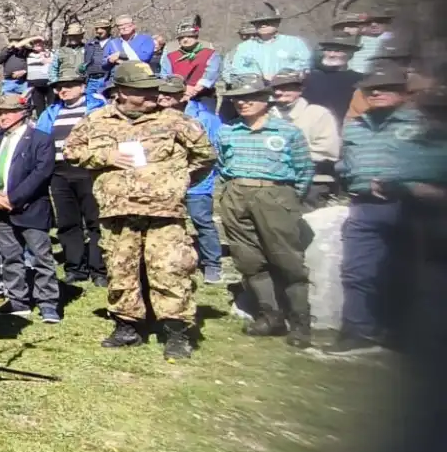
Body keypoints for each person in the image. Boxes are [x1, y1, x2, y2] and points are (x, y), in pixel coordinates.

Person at [61, 61, 217, 358]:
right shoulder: (96, 120)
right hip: (117, 210)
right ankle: (127, 326)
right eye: (141, 91)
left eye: (153, 90)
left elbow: (205, 156)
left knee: (170, 268)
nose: (151, 96)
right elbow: (71, 151)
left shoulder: (174, 120)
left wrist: (176, 180)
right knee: (121, 268)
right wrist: (106, 156)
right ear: (120, 91)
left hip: (164, 212)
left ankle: (175, 331)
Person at [214, 74, 316, 348]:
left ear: (265, 99)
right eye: (237, 98)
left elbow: (304, 171)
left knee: (287, 260)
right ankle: (270, 316)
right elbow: (223, 165)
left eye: (249, 98)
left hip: (275, 194)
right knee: (248, 259)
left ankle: (301, 323)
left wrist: (286, 199)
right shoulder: (228, 131)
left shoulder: (286, 132)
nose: (242, 103)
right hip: (237, 193)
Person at [333, 64, 423, 354]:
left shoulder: (425, 125)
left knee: (407, 270)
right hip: (364, 206)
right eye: (371, 90)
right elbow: (345, 163)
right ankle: (358, 330)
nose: (378, 93)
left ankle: (401, 332)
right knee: (357, 270)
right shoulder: (356, 126)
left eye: (387, 88)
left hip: (411, 206)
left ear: (405, 92)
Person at [0, 92, 60, 322]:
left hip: (30, 208)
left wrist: (13, 199)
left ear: (22, 114)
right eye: (0, 112)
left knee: (40, 256)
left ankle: (48, 304)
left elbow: (41, 173)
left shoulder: (40, 139)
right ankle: (18, 300)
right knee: (10, 256)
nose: (3, 117)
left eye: (8, 112)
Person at [37, 62, 104, 284]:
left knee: (95, 221)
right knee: (68, 222)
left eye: (68, 85)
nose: (62, 90)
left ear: (82, 87)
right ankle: (75, 266)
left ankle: (99, 268)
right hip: (59, 173)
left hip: (89, 171)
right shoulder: (51, 112)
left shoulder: (97, 107)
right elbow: (41, 139)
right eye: (59, 87)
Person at [155, 75, 225, 283]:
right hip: (165, 181)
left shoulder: (205, 118)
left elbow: (212, 152)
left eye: (169, 93)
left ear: (182, 94)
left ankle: (212, 264)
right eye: (161, 93)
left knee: (201, 221)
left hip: (197, 182)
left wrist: (190, 172)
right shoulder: (156, 117)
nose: (163, 97)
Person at [270, 70, 342, 205]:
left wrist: (287, 157)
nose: (279, 92)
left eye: (287, 88)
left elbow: (328, 150)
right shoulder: (266, 115)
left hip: (312, 181)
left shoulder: (318, 114)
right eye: (276, 88)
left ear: (300, 89)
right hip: (271, 182)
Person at [228, 3, 312, 82]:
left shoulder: (295, 43)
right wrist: (258, 77)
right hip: (256, 91)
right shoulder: (244, 47)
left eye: (267, 22)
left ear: (277, 23)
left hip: (287, 90)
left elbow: (305, 65)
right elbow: (237, 69)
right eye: (258, 23)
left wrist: (282, 76)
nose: (263, 25)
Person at [306, 37, 365, 122]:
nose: (331, 54)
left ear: (350, 54)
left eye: (337, 51)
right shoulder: (309, 77)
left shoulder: (360, 80)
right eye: (328, 50)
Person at [162, 19, 221, 103]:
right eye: (181, 37)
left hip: (204, 96)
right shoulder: (170, 56)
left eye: (189, 36)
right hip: (177, 96)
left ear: (196, 37)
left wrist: (195, 90)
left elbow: (211, 74)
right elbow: (165, 76)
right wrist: (180, 89)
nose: (185, 40)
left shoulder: (211, 54)